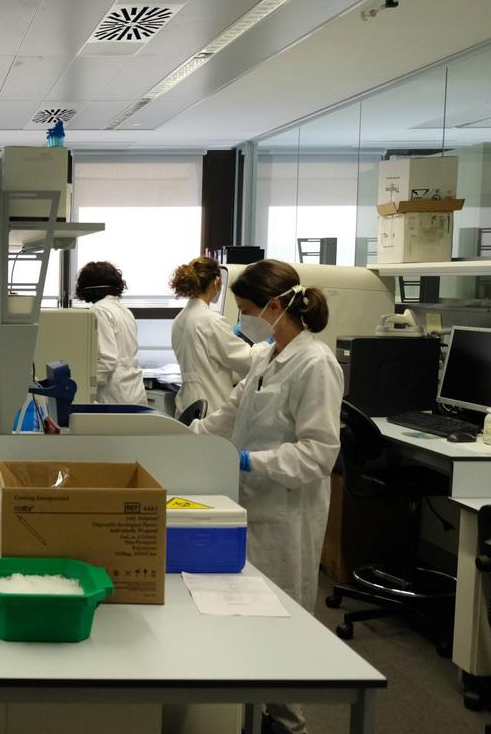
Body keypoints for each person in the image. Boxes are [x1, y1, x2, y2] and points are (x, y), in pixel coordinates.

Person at [190, 260, 341, 734]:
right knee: (246, 616)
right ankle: (249, 712)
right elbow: (228, 415)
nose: (241, 319)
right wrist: (182, 437)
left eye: (247, 310)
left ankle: (287, 722)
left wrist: (252, 461)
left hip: (286, 513)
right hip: (249, 505)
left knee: (284, 620)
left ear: (276, 307)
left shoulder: (317, 365)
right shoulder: (263, 354)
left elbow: (319, 455)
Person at [169, 256, 258, 416]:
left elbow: (210, 364)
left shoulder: (180, 319)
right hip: (210, 405)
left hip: (187, 405)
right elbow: (247, 360)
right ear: (217, 281)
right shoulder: (211, 320)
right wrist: (268, 345)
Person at [76, 261, 147, 406]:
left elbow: (107, 360)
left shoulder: (99, 311)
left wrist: (82, 387)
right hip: (135, 393)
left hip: (114, 396)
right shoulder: (124, 310)